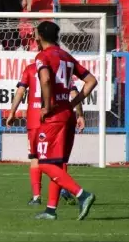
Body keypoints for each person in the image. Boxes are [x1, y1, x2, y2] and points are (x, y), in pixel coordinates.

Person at [32, 21, 98, 221]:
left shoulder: (43, 56)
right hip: (67, 115)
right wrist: (73, 103)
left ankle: (82, 194)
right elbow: (91, 80)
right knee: (58, 164)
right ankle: (51, 210)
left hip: (54, 117)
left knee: (43, 163)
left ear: (40, 36)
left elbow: (44, 80)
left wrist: (47, 106)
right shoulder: (66, 56)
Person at [7, 63, 85, 206]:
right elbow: (73, 93)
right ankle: (62, 187)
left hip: (35, 120)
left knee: (36, 158)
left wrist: (12, 112)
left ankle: (37, 197)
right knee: (58, 158)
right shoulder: (60, 72)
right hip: (55, 120)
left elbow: (20, 91)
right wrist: (80, 114)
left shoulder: (30, 69)